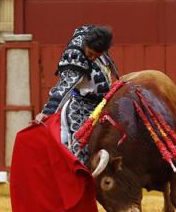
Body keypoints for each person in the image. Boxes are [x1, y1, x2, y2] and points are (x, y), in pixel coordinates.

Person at [33, 25, 117, 163]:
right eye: (90, 53)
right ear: (85, 44)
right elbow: (63, 87)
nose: (92, 58)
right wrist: (47, 112)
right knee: (79, 156)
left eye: (97, 55)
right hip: (80, 110)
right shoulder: (75, 57)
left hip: (101, 106)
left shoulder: (94, 41)